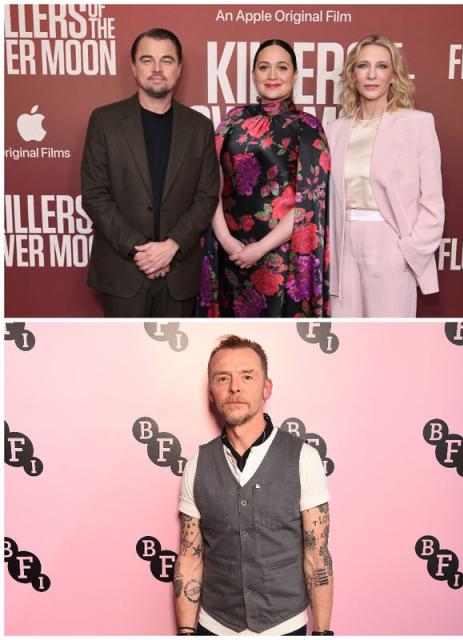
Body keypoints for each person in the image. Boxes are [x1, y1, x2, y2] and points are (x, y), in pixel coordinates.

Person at [174, 335, 333, 635]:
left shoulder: (303, 459)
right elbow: (189, 557)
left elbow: (317, 555)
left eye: (247, 376)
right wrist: (185, 632)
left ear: (266, 387)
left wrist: (323, 633)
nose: (235, 387)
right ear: (211, 392)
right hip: (214, 626)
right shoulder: (198, 464)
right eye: (223, 378)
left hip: (285, 626)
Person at [81, 28, 219, 317]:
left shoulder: (199, 127)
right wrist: (141, 251)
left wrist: (171, 247)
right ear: (133, 67)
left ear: (179, 69)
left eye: (166, 60)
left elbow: (206, 196)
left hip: (179, 274)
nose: (157, 69)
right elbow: (95, 196)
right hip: (123, 272)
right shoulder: (104, 121)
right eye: (147, 60)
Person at [200, 39, 329, 317]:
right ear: (253, 75)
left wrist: (259, 249)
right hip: (230, 254)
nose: (272, 75)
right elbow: (211, 184)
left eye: (281, 67)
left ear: (294, 75)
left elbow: (310, 203)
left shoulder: (307, 127)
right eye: (264, 67)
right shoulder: (232, 120)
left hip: (281, 257)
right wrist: (226, 240)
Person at [326, 35, 445, 318]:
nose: (371, 74)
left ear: (394, 75)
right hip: (343, 249)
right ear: (352, 74)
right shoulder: (334, 130)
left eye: (381, 66)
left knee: (389, 336)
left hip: (389, 244)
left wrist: (410, 250)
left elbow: (432, 201)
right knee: (347, 336)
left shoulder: (417, 124)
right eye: (363, 65)